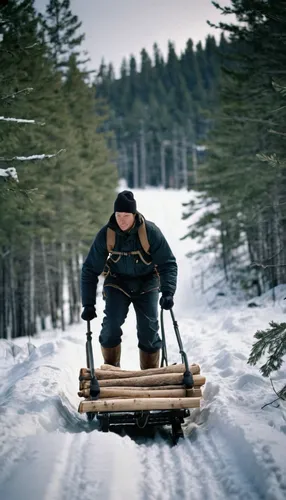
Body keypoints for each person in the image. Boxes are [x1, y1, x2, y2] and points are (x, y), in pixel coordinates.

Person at [81, 190, 177, 369]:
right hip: (118, 282)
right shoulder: (107, 234)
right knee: (110, 327)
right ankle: (111, 371)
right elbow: (89, 270)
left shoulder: (150, 232)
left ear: (134, 214)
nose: (122, 220)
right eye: (118, 215)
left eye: (126, 215)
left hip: (147, 282)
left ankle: (150, 375)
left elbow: (168, 264)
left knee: (148, 331)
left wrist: (168, 292)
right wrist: (88, 304)